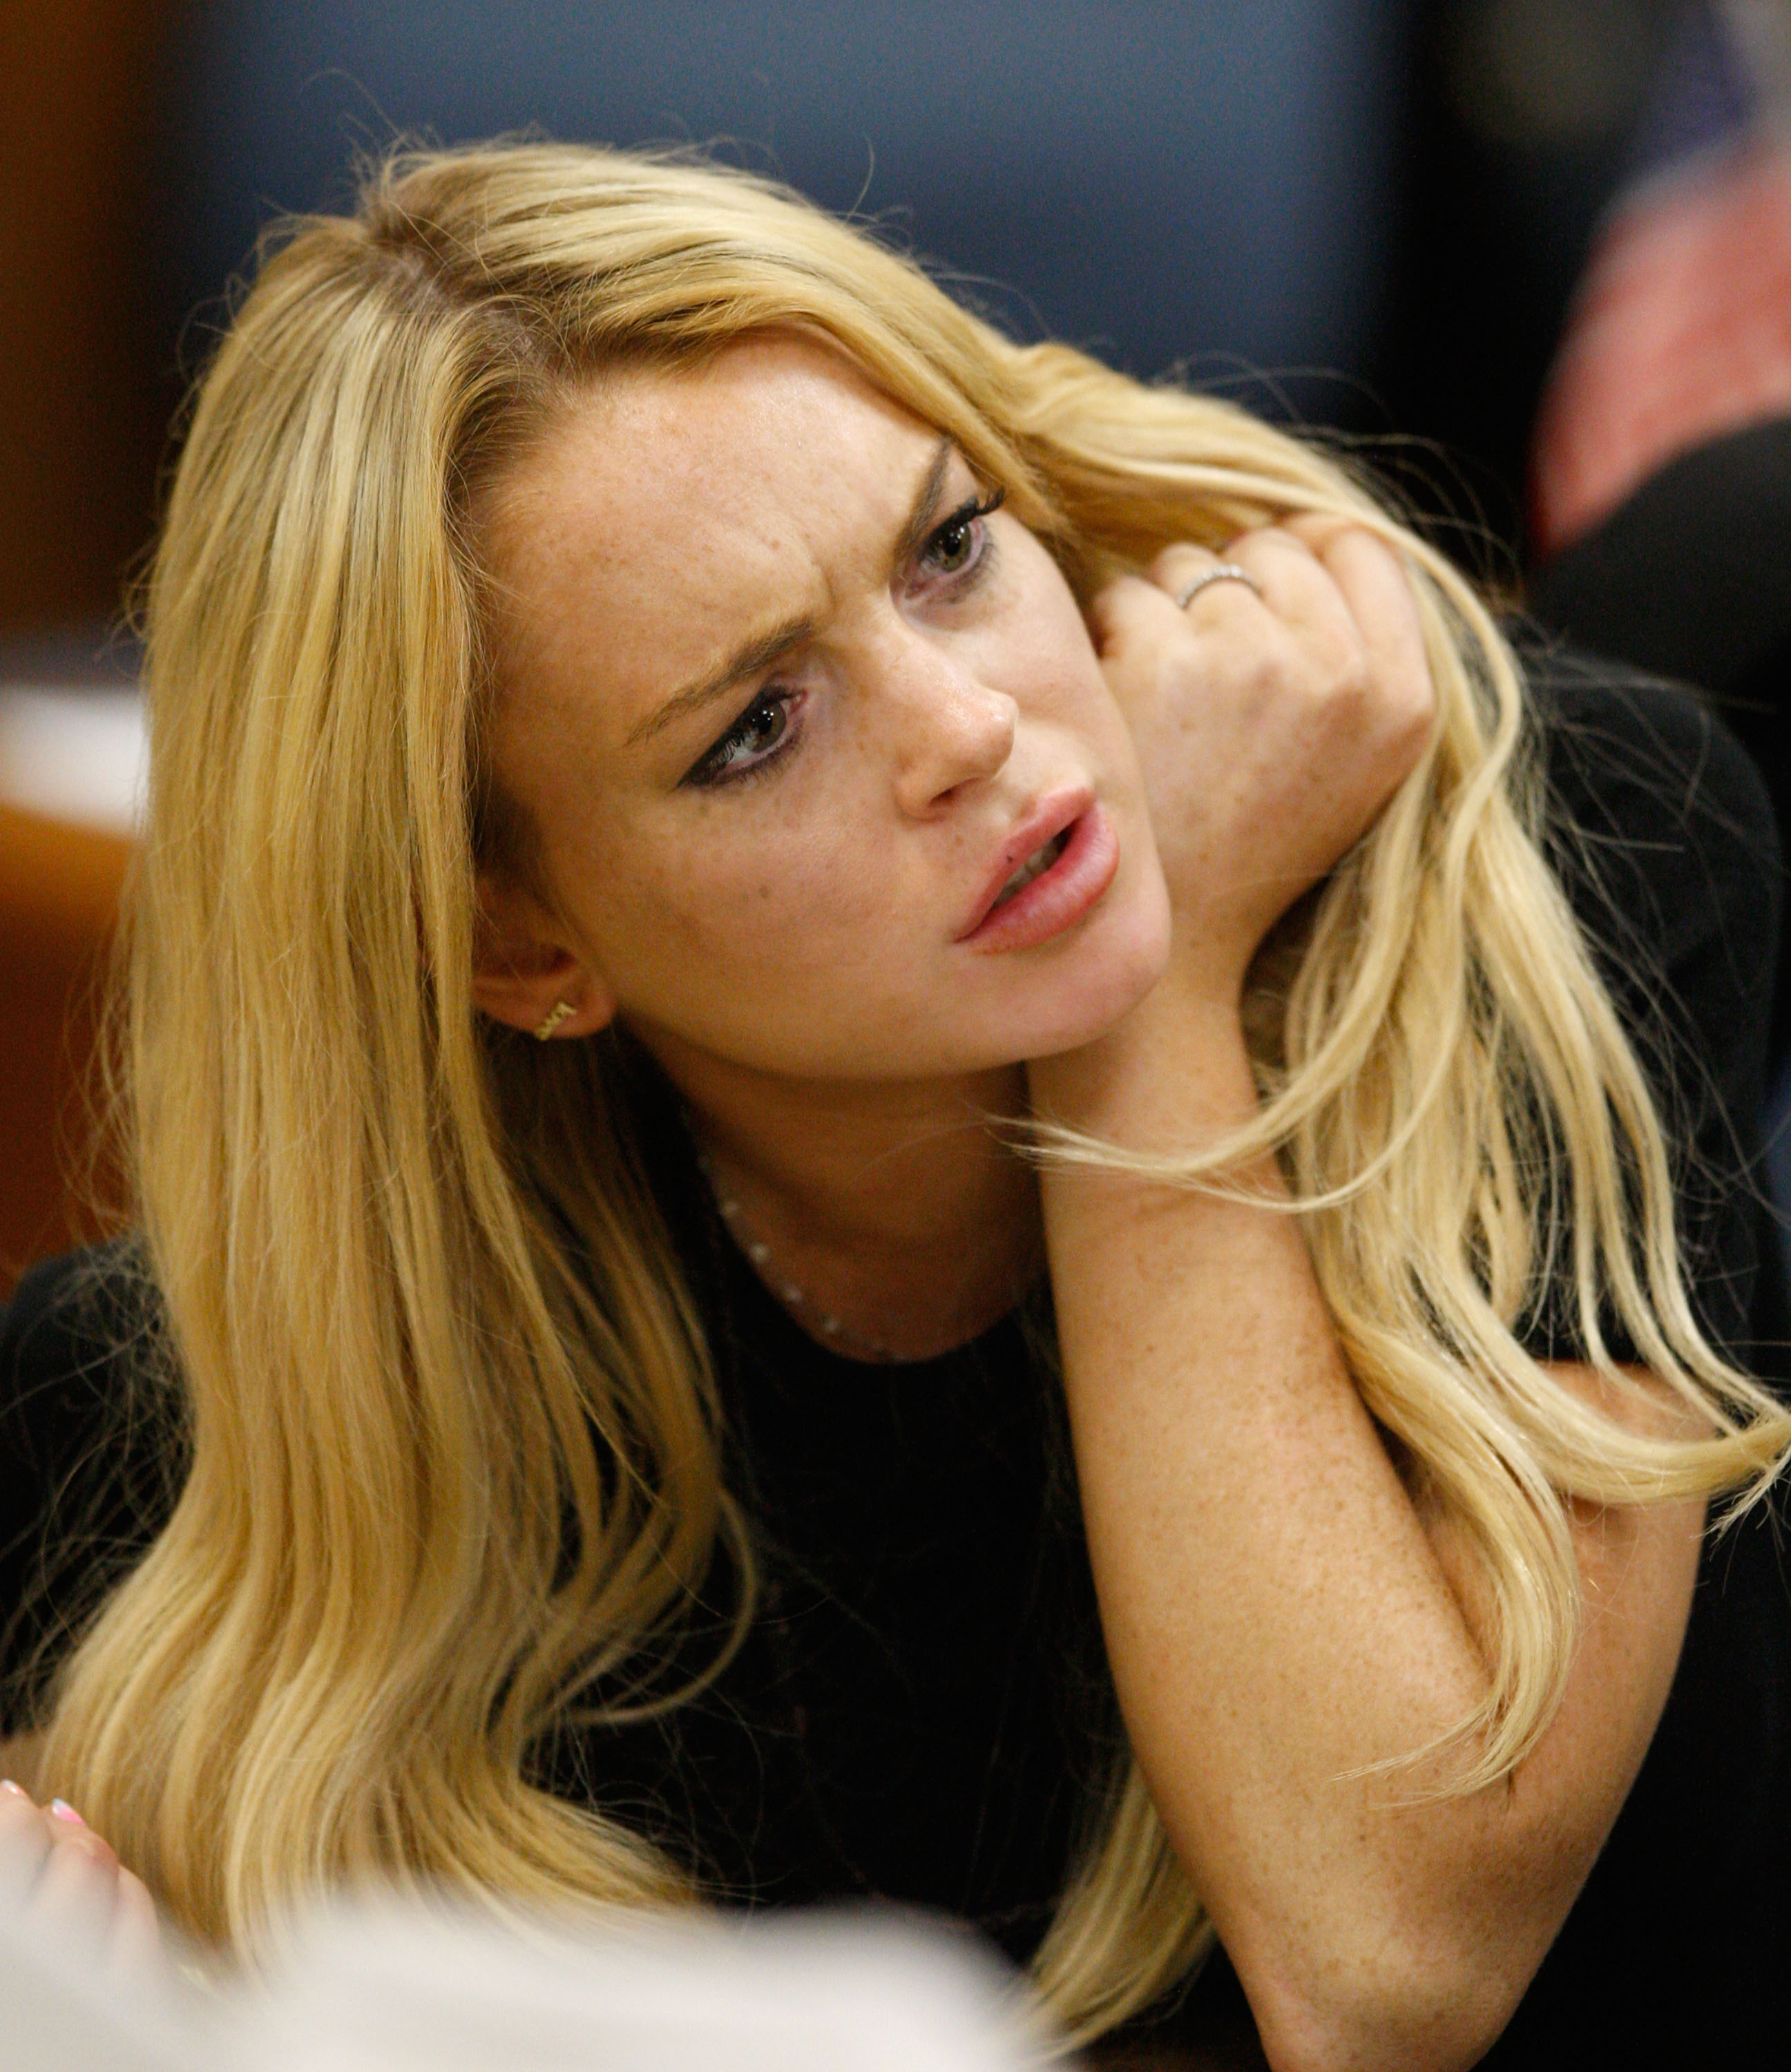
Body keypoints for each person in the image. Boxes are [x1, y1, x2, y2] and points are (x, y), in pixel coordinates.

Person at [1, 142, 1788, 2071]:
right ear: (519, 948)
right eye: (756, 728)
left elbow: (1387, 1957)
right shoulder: (158, 1423)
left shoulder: (1540, 863)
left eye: (946, 552)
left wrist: (1153, 995)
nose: (969, 729)